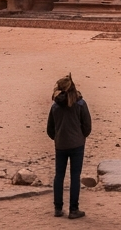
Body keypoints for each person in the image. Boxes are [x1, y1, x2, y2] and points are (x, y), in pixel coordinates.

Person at [46, 74, 92, 219]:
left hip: (60, 145)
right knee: (74, 176)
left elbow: (50, 129)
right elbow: (87, 126)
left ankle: (58, 209)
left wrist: (58, 138)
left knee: (59, 176)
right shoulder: (80, 104)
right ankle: (73, 209)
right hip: (77, 144)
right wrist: (81, 136)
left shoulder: (55, 106)